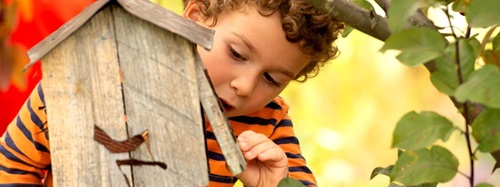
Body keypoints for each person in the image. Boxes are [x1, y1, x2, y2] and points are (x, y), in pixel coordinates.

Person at [0, 0, 344, 186]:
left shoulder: (266, 126)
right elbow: (14, 163)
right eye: (237, 54)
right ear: (192, 19)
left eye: (272, 78)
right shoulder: (88, 81)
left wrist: (275, 185)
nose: (246, 86)